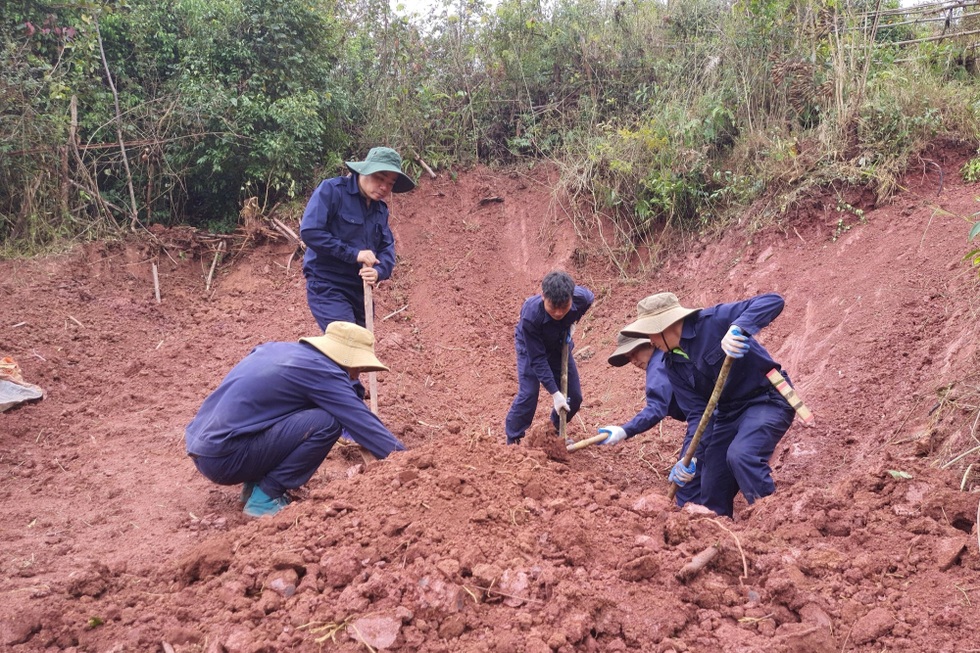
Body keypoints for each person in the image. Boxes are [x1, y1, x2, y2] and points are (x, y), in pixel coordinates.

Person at [185, 321, 406, 518]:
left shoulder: (280, 351)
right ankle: (265, 496)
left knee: (290, 411)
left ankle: (252, 488)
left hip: (204, 449)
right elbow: (360, 421)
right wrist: (407, 461)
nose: (357, 376)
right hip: (226, 458)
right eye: (358, 368)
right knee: (328, 422)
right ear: (346, 358)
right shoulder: (322, 371)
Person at [620, 292, 795, 518]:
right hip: (727, 413)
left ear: (665, 325)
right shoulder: (672, 365)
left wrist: (738, 328)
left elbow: (773, 301)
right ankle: (720, 535)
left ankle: (776, 520)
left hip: (768, 398)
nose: (650, 341)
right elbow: (698, 415)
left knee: (741, 455)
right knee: (712, 483)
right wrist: (688, 459)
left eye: (651, 333)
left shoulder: (714, 320)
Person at [300, 146, 415, 331]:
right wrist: (354, 254)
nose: (384, 187)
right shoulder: (332, 191)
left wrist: (378, 271)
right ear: (365, 170)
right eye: (380, 177)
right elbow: (311, 231)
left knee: (361, 347)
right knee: (346, 339)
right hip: (327, 283)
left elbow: (387, 249)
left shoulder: (380, 210)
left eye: (391, 183)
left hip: (359, 289)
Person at [596, 332, 701, 506]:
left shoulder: (659, 364)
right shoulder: (668, 355)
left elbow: (656, 408)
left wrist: (624, 430)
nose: (633, 361)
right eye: (628, 357)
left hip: (707, 418)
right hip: (709, 415)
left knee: (686, 480)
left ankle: (691, 519)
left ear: (650, 343)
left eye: (634, 352)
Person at [505, 271, 594, 445]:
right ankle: (513, 439)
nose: (559, 313)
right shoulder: (531, 315)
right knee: (529, 393)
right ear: (543, 296)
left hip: (559, 344)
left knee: (574, 397)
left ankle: (550, 433)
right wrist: (555, 394)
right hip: (531, 347)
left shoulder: (581, 298)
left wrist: (573, 322)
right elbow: (538, 359)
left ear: (571, 297)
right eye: (553, 307)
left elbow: (589, 299)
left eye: (564, 307)